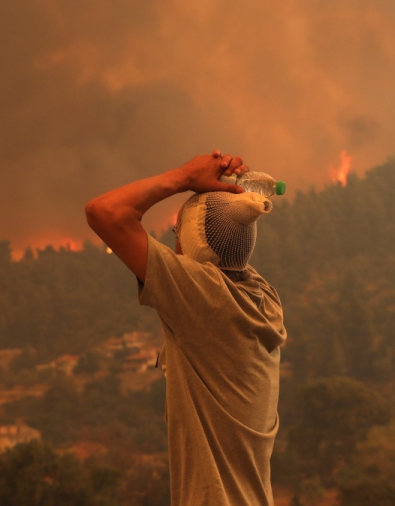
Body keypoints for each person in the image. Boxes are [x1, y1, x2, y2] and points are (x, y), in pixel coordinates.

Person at [85, 151, 286, 505]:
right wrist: (225, 196)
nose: (173, 242)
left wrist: (186, 177)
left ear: (191, 241)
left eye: (177, 231)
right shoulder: (263, 299)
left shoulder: (202, 296)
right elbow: (225, 247)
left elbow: (105, 212)